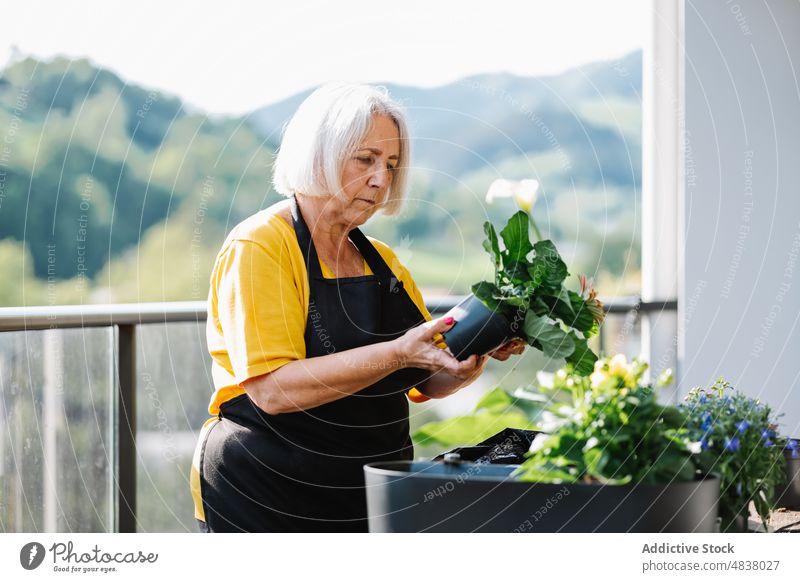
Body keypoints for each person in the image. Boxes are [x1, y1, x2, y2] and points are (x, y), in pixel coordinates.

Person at [190, 82, 525, 532]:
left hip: (366, 490)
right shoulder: (260, 247)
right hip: (267, 490)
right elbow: (272, 390)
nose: (382, 179)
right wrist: (397, 353)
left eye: (390, 164)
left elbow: (426, 376)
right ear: (319, 155)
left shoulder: (383, 262)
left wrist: (471, 358)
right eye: (365, 159)